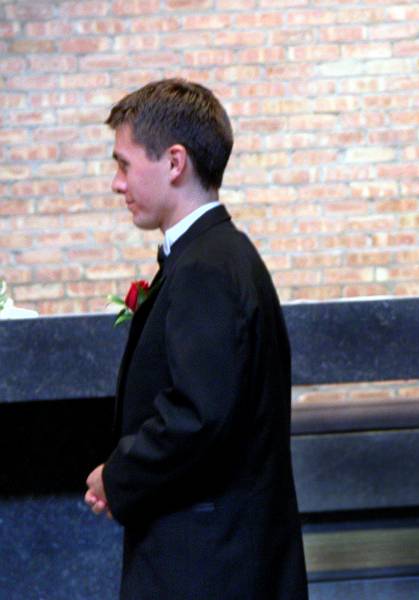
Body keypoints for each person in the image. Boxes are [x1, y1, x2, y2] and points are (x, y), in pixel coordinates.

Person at [84, 79, 308, 599]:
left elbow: (197, 416)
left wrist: (117, 478)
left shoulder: (207, 267)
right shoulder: (218, 255)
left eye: (124, 164)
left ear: (174, 162)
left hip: (208, 567)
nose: (117, 183)